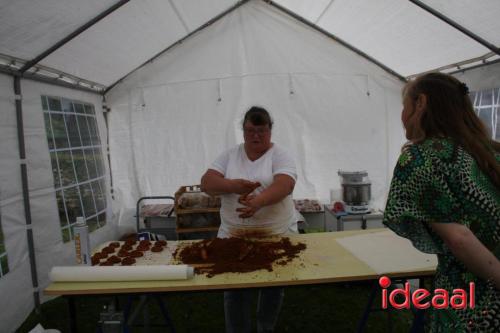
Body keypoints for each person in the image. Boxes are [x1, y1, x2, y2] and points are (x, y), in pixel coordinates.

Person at [383, 72, 500, 332]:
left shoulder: (422, 158)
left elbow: (460, 238)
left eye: (404, 107)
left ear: (421, 103)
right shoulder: (491, 153)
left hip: (473, 302)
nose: (403, 116)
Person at [201, 106, 298, 333]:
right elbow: (207, 183)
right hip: (233, 235)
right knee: (234, 287)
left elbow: (285, 184)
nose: (256, 136)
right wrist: (233, 185)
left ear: (270, 131)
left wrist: (259, 201)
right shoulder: (230, 155)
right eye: (250, 130)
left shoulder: (280, 155)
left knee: (273, 285)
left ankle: (265, 327)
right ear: (243, 131)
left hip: (276, 234)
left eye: (261, 131)